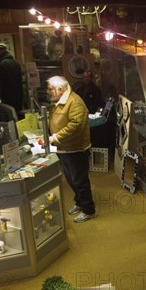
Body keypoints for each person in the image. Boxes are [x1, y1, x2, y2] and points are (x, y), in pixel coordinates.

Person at [46, 75, 96, 223]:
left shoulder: (74, 103)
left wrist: (55, 137)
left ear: (60, 89)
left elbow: (75, 127)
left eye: (50, 89)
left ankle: (89, 209)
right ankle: (80, 202)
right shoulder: (58, 101)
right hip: (64, 147)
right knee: (71, 179)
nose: (48, 92)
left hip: (75, 148)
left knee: (79, 180)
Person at [0, 43, 24, 114]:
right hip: (18, 94)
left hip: (9, 96)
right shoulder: (16, 62)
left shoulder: (3, 63)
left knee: (10, 115)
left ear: (1, 51)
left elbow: (4, 82)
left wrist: (3, 95)